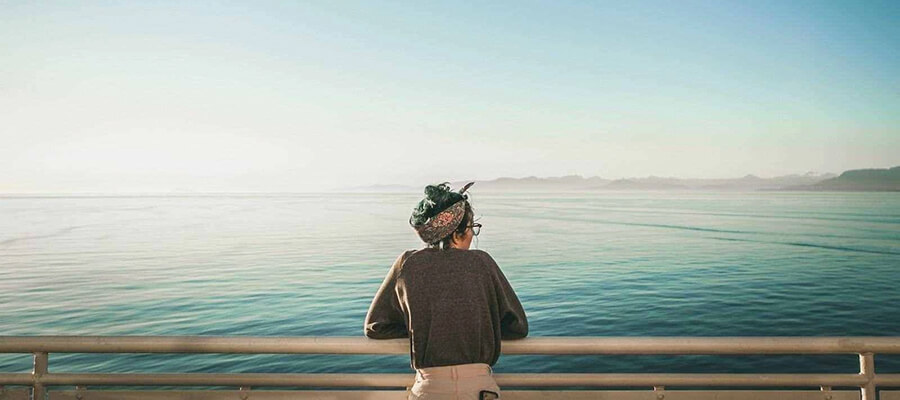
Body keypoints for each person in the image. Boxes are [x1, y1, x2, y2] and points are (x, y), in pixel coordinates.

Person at [364, 182, 528, 400]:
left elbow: (375, 327)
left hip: (429, 389)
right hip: (479, 389)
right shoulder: (482, 262)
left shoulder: (407, 263)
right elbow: (518, 327)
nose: (472, 234)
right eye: (471, 227)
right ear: (457, 233)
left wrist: (424, 329)